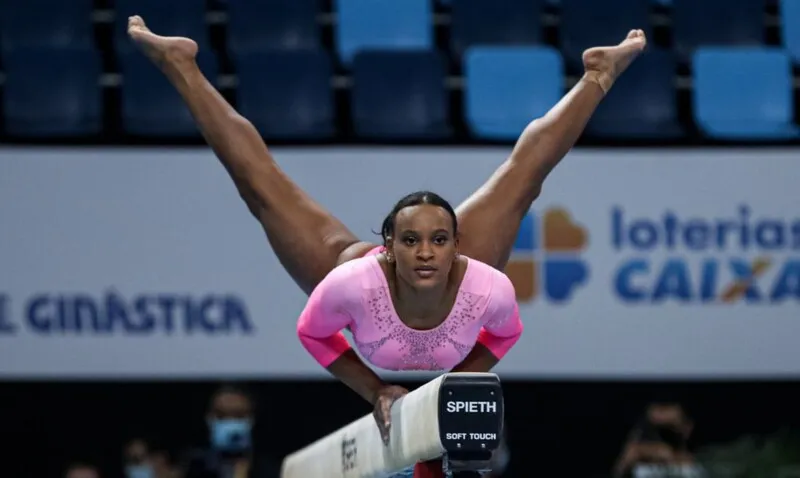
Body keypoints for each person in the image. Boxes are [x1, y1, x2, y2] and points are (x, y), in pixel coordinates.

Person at [126, 15, 646, 476]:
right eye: (411, 241)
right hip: (352, 269)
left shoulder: (485, 284)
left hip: (459, 277)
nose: (425, 252)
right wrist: (376, 390)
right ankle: (181, 65)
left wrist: (456, 384)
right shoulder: (352, 283)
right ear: (389, 247)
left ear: (456, 245)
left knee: (525, 176)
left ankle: (598, 74)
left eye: (439, 240)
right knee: (261, 186)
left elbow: (507, 335)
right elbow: (313, 333)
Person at [181, 384, 281, 478]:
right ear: (209, 418)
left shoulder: (271, 471)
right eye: (222, 416)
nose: (230, 422)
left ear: (252, 419)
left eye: (239, 416)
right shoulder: (191, 467)